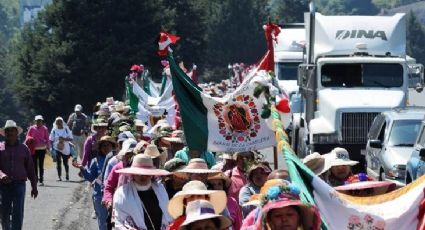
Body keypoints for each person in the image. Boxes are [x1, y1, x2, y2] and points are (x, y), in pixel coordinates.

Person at [113, 154, 172, 230]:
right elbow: (119, 221)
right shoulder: (122, 193)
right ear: (133, 174)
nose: (143, 176)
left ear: (151, 174)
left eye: (146, 173)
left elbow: (168, 217)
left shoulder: (160, 189)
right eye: (139, 173)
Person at [0, 120, 38, 230]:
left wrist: (34, 187)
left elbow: (30, 169)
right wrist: (1, 175)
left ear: (17, 133)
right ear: (4, 133)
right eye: (7, 131)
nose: (10, 133)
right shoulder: (0, 148)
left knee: (18, 212)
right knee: (4, 213)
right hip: (3, 186)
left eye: (12, 130)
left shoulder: (24, 149)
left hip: (19, 184)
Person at [75, 136, 116, 230]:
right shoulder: (95, 161)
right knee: (103, 222)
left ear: (112, 147)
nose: (106, 148)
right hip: (99, 196)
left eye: (108, 145)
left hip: (114, 196)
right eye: (104, 146)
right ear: (100, 148)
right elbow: (90, 177)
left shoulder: (116, 161)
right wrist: (83, 169)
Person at [26, 115, 50, 186]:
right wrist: (30, 138)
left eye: (40, 120)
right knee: (34, 165)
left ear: (42, 121)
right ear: (35, 121)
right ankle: (35, 179)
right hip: (33, 149)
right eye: (37, 120)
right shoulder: (31, 128)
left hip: (42, 149)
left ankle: (41, 179)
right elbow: (27, 136)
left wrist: (48, 146)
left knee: (41, 164)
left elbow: (47, 138)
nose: (39, 122)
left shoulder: (45, 128)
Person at [49, 117, 74, 181]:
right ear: (56, 122)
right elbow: (51, 139)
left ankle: (67, 175)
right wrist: (51, 147)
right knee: (58, 162)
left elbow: (71, 138)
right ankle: (59, 176)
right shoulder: (54, 130)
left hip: (65, 148)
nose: (59, 123)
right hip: (57, 148)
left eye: (60, 121)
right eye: (58, 121)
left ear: (62, 122)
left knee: (65, 163)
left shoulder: (66, 129)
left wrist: (64, 139)